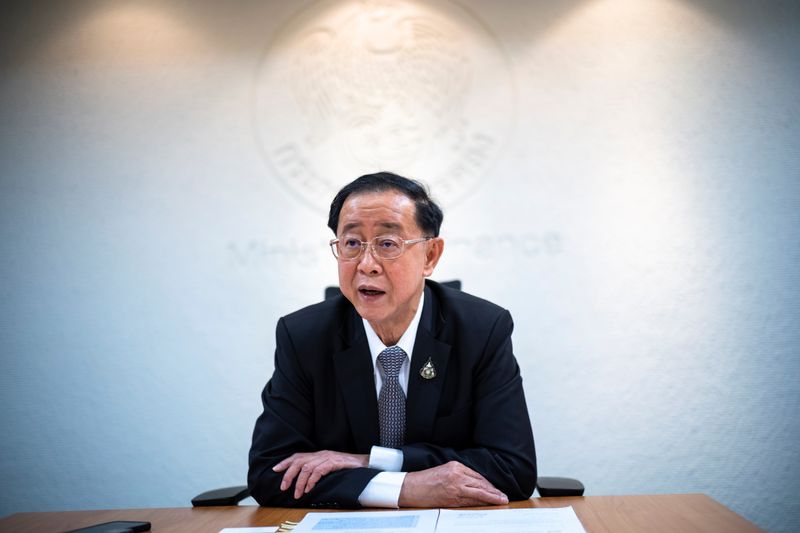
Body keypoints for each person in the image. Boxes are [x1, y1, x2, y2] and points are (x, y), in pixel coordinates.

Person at [248, 172, 536, 509]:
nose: (366, 265)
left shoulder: (482, 330)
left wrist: (369, 461)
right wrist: (406, 488)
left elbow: (513, 471)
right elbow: (271, 473)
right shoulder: (303, 337)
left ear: (430, 256)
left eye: (387, 244)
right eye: (352, 243)